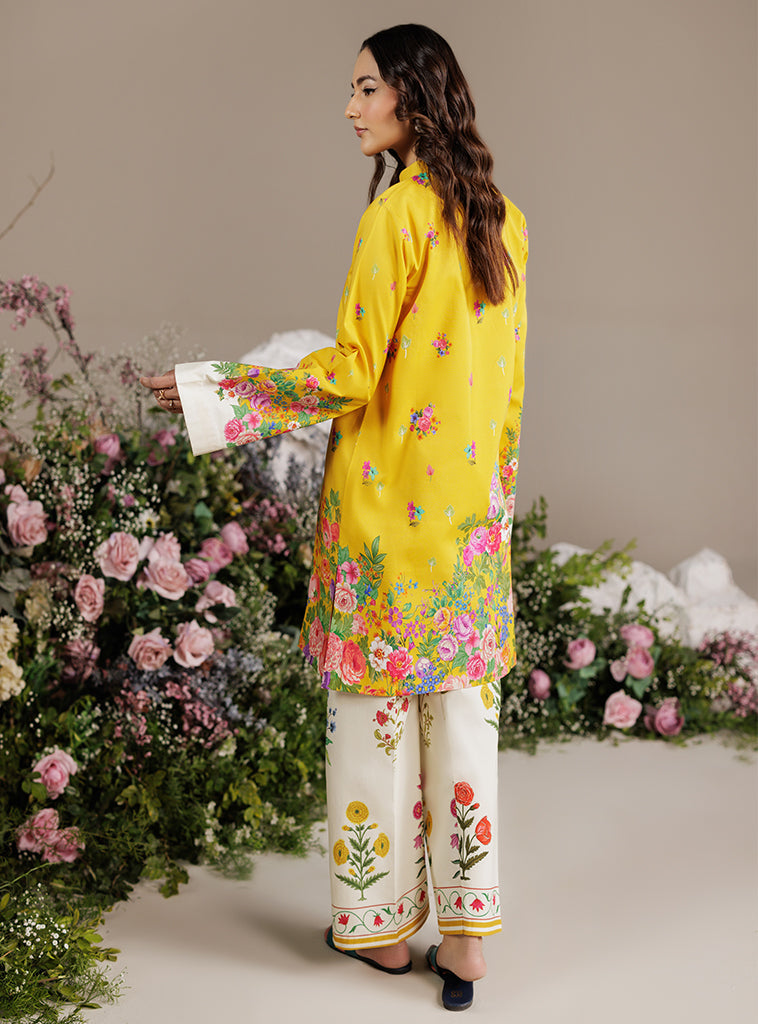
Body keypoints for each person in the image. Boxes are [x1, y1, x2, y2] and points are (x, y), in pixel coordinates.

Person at [140, 23, 527, 1012]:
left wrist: (214, 390)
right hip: (469, 532)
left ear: (411, 96)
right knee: (464, 732)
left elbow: (351, 374)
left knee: (374, 733)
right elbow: (508, 393)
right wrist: (492, 515)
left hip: (385, 529)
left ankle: (383, 936)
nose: (350, 107)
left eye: (365, 89)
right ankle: (467, 946)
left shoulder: (395, 218)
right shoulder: (503, 221)